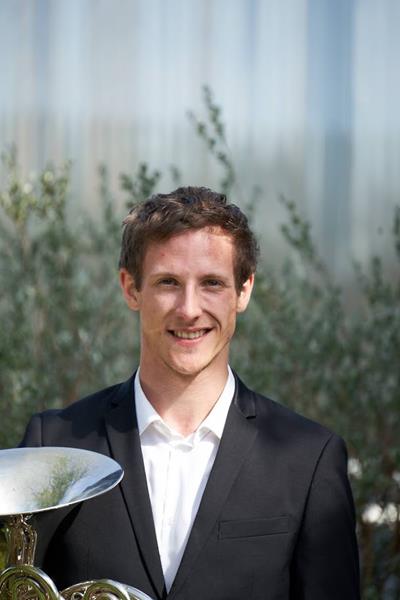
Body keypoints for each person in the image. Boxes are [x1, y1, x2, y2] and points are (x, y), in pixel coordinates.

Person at [21, 187, 360, 599]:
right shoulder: (54, 446)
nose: (189, 309)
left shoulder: (309, 460)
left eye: (212, 283)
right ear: (130, 288)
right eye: (168, 282)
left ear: (244, 290)